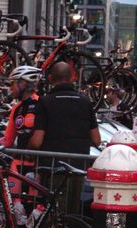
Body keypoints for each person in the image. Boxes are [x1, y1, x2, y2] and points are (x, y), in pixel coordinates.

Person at [28, 61, 101, 214]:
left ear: (50, 78)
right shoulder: (85, 101)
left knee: (53, 214)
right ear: (72, 78)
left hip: (52, 168)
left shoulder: (45, 102)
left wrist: (28, 150)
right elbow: (96, 140)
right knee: (72, 214)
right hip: (78, 167)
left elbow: (37, 141)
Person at [0, 65, 42, 225]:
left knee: (33, 214)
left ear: (23, 84)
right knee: (15, 212)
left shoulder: (42, 105)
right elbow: (8, 140)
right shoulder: (16, 108)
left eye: (12, 84)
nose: (10, 88)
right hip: (18, 164)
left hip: (37, 165)